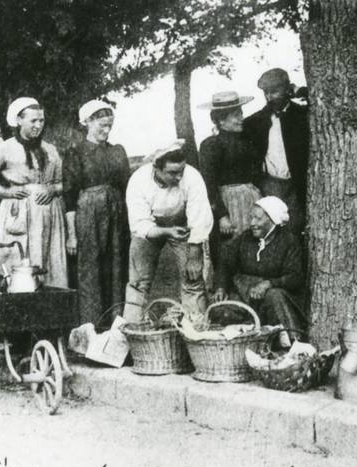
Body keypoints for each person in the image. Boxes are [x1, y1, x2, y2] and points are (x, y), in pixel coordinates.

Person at [0, 97, 67, 287]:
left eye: (42, 121)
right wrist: (5, 191)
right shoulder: (6, 148)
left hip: (50, 215)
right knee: (18, 265)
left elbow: (63, 182)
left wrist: (53, 189)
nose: (38, 125)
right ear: (19, 120)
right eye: (33, 121)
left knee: (50, 266)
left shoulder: (51, 150)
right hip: (19, 213)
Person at [122, 140, 213, 322]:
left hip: (183, 225)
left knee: (193, 279)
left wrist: (194, 255)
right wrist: (167, 231)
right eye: (172, 173)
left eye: (181, 171)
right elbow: (141, 226)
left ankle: (196, 331)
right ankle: (132, 332)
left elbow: (199, 216)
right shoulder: (138, 181)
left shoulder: (192, 177)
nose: (179, 177)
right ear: (156, 168)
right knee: (138, 282)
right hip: (151, 227)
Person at [63, 100, 130, 328]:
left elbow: (126, 186)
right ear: (87, 122)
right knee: (89, 269)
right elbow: (69, 197)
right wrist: (71, 235)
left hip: (116, 214)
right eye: (101, 125)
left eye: (109, 125)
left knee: (116, 266)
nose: (106, 130)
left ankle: (116, 327)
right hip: (87, 215)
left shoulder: (117, 151)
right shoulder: (75, 153)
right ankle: (89, 329)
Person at [213, 196, 306, 338]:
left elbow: (295, 277)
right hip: (247, 294)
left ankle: (291, 341)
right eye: (251, 218)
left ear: (272, 220)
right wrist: (221, 287)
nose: (252, 223)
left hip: (278, 300)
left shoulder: (289, 241)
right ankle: (245, 342)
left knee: (274, 296)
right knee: (222, 309)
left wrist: (269, 284)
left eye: (258, 219)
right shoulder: (246, 238)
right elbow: (225, 263)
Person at [198, 91, 262, 265]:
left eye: (241, 113)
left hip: (251, 199)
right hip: (228, 203)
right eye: (235, 115)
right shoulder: (211, 145)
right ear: (220, 120)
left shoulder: (247, 141)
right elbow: (208, 183)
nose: (241, 118)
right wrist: (222, 216)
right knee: (229, 246)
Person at [243, 68, 309, 235]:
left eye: (274, 91)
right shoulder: (254, 122)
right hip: (270, 184)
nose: (269, 97)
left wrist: (298, 91)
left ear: (287, 89)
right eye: (266, 92)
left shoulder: (303, 116)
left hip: (297, 184)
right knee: (271, 229)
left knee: (295, 228)